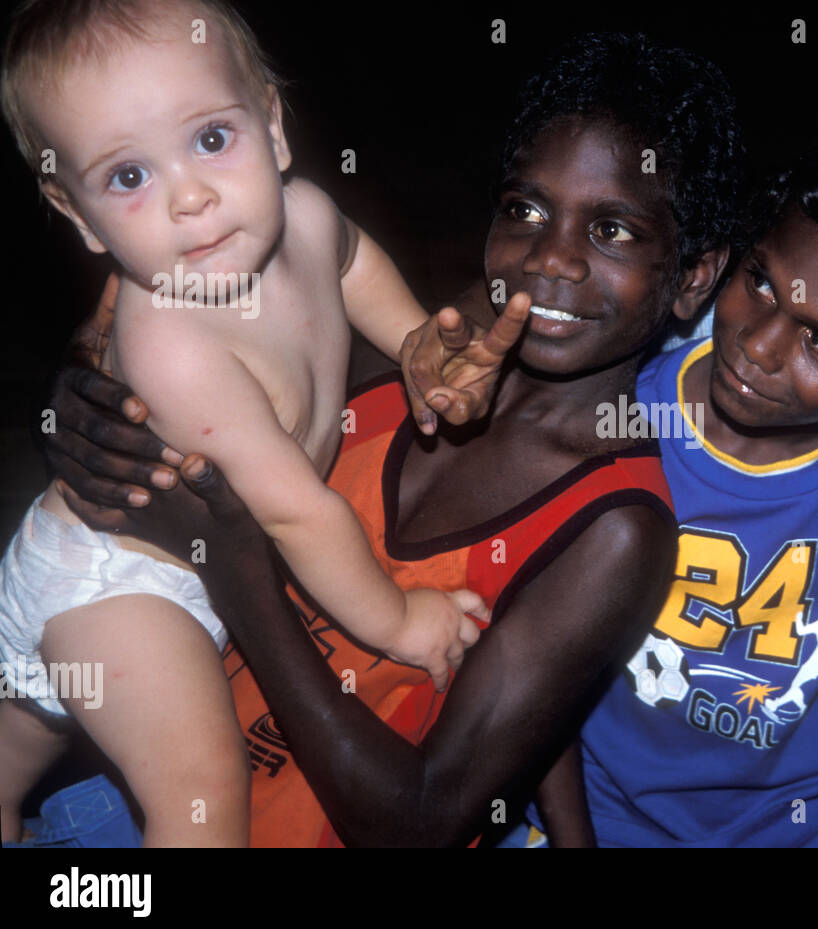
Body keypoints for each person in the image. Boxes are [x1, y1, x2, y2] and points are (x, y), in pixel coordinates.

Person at [41, 31, 743, 847]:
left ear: (693, 276)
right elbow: (192, 350)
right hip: (136, 778)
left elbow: (421, 822)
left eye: (613, 230)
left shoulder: (615, 528)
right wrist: (86, 404)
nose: (552, 259)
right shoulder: (422, 346)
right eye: (526, 209)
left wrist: (227, 563)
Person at [409, 113, 818, 846]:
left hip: (794, 824)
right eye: (761, 282)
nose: (759, 344)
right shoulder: (617, 414)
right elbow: (534, 685)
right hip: (581, 814)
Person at [0, 0, 490, 847]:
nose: (190, 197)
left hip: (145, 572)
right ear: (77, 211)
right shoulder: (171, 344)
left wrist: (416, 337)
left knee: (13, 743)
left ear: (272, 124)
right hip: (125, 592)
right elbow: (296, 511)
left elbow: (350, 262)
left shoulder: (304, 214)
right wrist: (401, 623)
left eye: (211, 138)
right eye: (127, 176)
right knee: (205, 798)